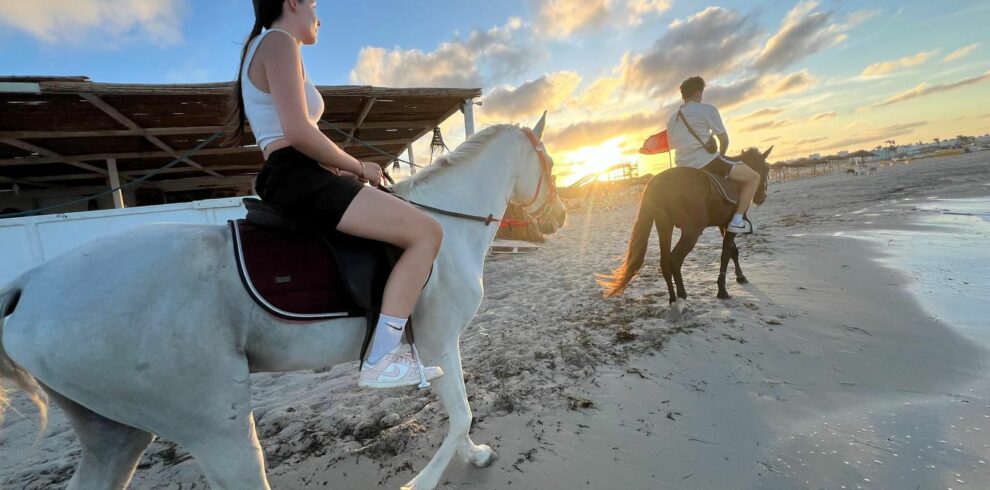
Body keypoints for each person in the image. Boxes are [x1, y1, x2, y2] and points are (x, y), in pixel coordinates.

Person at [224, 0, 443, 389]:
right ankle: (383, 356)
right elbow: (298, 132)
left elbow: (293, 134)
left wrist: (340, 167)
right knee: (427, 233)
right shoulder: (278, 41)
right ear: (292, 2)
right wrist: (359, 167)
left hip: (300, 171)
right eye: (312, 4)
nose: (318, 17)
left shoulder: (266, 45)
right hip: (296, 174)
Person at [667, 76, 759, 234]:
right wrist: (721, 154)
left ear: (683, 95)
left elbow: (673, 146)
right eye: (701, 93)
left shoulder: (671, 119)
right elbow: (724, 140)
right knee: (754, 177)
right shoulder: (707, 109)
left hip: (682, 168)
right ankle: (737, 220)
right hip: (707, 163)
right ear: (698, 93)